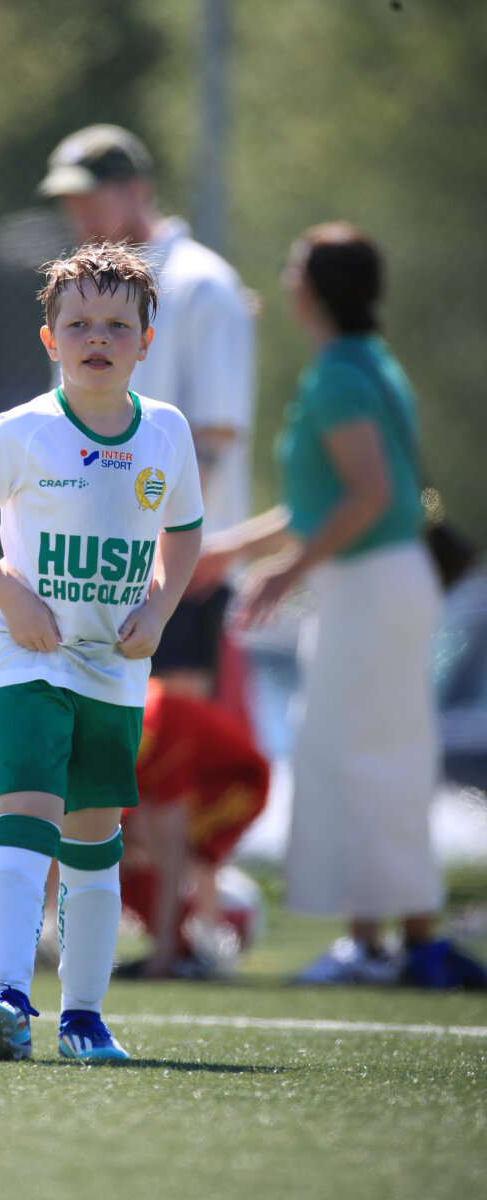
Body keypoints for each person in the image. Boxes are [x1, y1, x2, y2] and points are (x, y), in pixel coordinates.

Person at [192, 222, 487, 990]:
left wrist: (285, 572)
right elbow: (322, 502)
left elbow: (370, 495)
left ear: (316, 289)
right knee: (379, 757)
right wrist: (233, 549)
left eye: (296, 267)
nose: (288, 277)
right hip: (381, 584)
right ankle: (407, 943)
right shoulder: (365, 361)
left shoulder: (339, 377)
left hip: (369, 588)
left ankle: (373, 945)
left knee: (355, 758)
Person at [0, 242, 203, 1060]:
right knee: (23, 822)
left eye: (117, 325)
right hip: (27, 662)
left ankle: (83, 1017)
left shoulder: (167, 431)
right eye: (79, 323)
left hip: (113, 672)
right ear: (51, 339)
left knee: (93, 844)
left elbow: (186, 534)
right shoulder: (23, 431)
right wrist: (11, 598)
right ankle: (8, 998)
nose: (98, 338)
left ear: (145, 342)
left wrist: (159, 608)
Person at [38, 124, 256, 695]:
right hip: (95, 569)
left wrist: (159, 558)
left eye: (91, 197)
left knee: (173, 737)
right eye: (70, 202)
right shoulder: (83, 290)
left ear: (138, 190)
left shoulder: (200, 283)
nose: (79, 215)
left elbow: (213, 437)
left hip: (174, 574)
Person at [119, 677, 269, 979]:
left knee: (172, 853)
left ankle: (193, 946)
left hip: (235, 782)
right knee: (124, 847)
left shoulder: (160, 727)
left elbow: (172, 845)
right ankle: (193, 941)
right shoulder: (137, 723)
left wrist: (162, 954)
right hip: (200, 775)